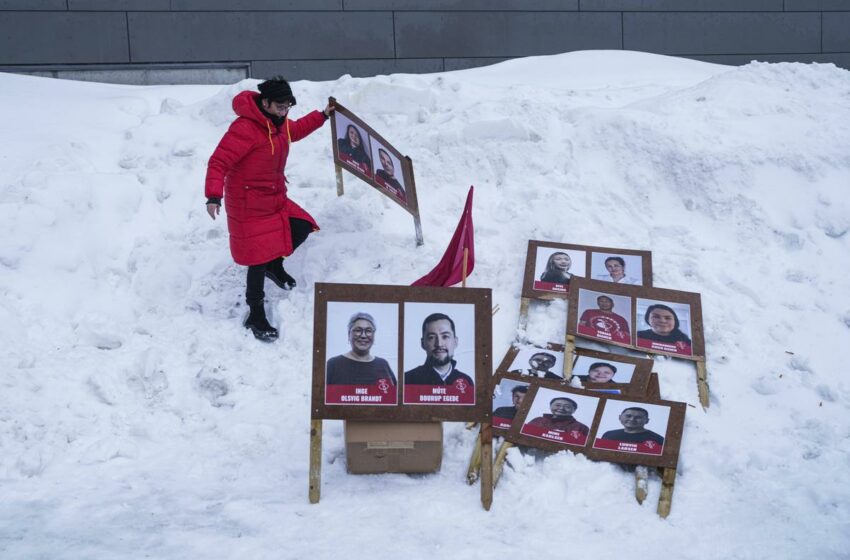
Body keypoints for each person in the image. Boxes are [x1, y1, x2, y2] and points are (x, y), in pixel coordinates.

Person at [205, 76, 334, 342]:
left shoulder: (279, 125)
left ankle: (275, 266)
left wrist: (322, 115)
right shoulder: (245, 128)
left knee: (301, 225)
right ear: (265, 102)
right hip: (247, 202)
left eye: (288, 107)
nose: (284, 111)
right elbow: (218, 162)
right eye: (279, 106)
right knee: (256, 257)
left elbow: (296, 130)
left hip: (274, 197)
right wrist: (213, 196)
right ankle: (255, 313)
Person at [326, 312, 397, 386]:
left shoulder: (383, 365)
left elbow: (394, 395)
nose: (363, 335)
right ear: (349, 334)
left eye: (368, 331)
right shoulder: (333, 364)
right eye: (358, 330)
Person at [404, 313, 474, 387]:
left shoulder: (467, 382)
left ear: (455, 342)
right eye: (431, 337)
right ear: (423, 343)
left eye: (445, 336)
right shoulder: (407, 380)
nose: (439, 344)